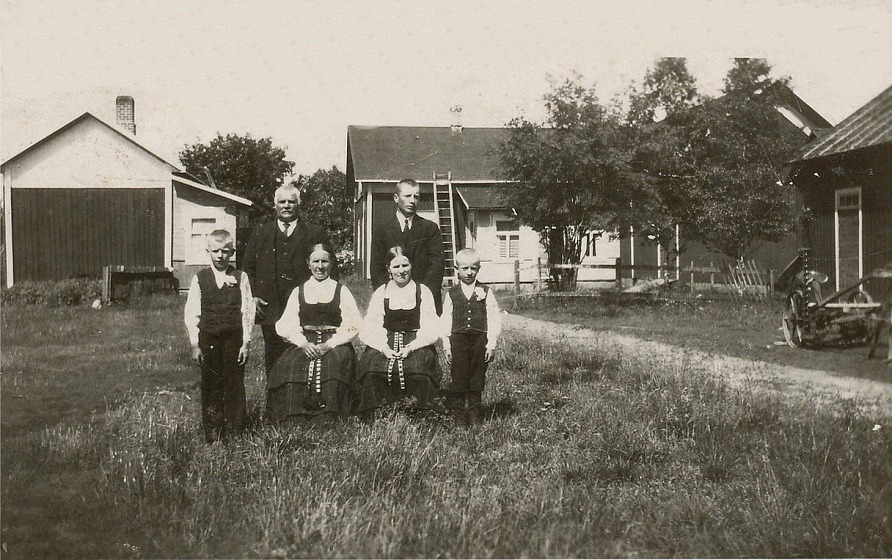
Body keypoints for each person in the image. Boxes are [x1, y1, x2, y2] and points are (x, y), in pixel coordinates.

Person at [243, 184, 335, 378]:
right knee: (274, 358)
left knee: (304, 355)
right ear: (274, 205)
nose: (286, 206)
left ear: (299, 205)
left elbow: (330, 271)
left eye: (291, 201)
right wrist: (253, 296)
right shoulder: (261, 233)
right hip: (270, 307)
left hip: (306, 308)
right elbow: (248, 269)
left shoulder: (314, 233)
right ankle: (276, 402)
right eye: (282, 202)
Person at [266, 244, 361, 423]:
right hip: (306, 341)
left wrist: (330, 344)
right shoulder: (299, 291)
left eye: (324, 261)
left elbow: (353, 323)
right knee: (292, 364)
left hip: (334, 342)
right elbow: (286, 323)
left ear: (331, 264)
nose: (320, 266)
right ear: (308, 264)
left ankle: (332, 417)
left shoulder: (341, 290)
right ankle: (295, 417)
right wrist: (303, 343)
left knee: (335, 363)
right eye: (315, 261)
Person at [184, 229, 256, 442]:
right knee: (211, 382)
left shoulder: (240, 277)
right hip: (209, 339)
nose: (220, 256)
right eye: (215, 251)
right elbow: (192, 313)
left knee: (234, 382)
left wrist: (246, 342)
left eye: (225, 251)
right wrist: (195, 344)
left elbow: (248, 311)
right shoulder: (200, 279)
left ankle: (235, 429)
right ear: (208, 251)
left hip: (234, 338)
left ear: (232, 252)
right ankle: (212, 429)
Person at [354, 246, 443, 417]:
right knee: (373, 370)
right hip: (384, 340)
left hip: (416, 340)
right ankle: (377, 413)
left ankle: (418, 413)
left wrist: (411, 347)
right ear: (388, 269)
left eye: (405, 265)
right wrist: (384, 348)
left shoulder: (422, 291)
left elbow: (431, 327)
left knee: (419, 370)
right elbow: (369, 327)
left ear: (412, 266)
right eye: (396, 267)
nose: (401, 271)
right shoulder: (382, 292)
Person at [441, 248, 502, 424]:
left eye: (473, 268)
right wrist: (447, 344)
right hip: (458, 340)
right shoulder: (452, 293)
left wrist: (491, 344)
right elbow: (446, 319)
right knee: (458, 377)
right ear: (457, 269)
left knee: (477, 376)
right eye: (465, 268)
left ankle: (475, 412)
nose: (469, 272)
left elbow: (493, 318)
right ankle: (459, 414)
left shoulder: (485, 291)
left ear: (479, 269)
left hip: (479, 341)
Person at [370, 179, 445, 314]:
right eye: (407, 196)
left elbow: (437, 267)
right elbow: (377, 268)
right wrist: (387, 296)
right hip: (392, 301)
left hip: (424, 300)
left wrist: (421, 295)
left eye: (416, 196)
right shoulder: (382, 230)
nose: (412, 201)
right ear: (396, 198)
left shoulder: (430, 228)